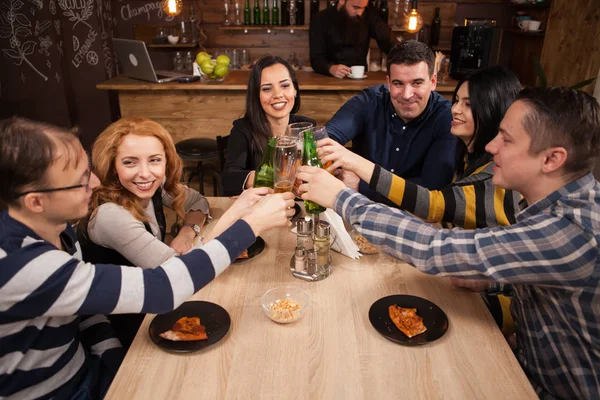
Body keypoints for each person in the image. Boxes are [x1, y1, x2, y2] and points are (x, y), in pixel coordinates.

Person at [298, 86, 600, 399]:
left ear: (552, 159)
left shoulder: (572, 230)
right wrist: (491, 283)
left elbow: (435, 247)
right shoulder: (558, 206)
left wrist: (340, 197)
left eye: (507, 139)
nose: (492, 146)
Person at [0, 117, 295, 399]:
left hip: (87, 370)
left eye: (88, 171)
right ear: (36, 201)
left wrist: (110, 355)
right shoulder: (22, 264)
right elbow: (163, 287)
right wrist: (250, 224)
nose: (94, 183)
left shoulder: (58, 227)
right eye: (79, 182)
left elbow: (82, 308)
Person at [318, 66, 523, 331]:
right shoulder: (467, 153)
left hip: (499, 306)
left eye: (469, 105)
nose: (456, 110)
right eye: (457, 101)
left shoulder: (491, 177)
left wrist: (355, 170)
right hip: (468, 279)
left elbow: (431, 204)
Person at [79, 117, 272, 348]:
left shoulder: (155, 187)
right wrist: (237, 213)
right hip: (127, 324)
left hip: (158, 299)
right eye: (130, 162)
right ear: (111, 165)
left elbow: (199, 202)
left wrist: (187, 233)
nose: (145, 173)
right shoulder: (110, 215)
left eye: (154, 160)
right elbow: (182, 273)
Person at [326, 40, 456, 203]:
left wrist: (361, 185)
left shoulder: (446, 117)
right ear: (388, 83)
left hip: (414, 217)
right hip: (358, 207)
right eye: (398, 84)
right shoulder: (370, 101)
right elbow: (325, 138)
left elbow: (431, 192)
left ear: (433, 82)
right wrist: (335, 169)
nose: (407, 94)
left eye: (417, 83)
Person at [222, 56, 315, 196]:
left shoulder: (307, 128)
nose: (278, 94)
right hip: (263, 210)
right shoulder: (243, 129)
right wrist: (276, 177)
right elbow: (229, 179)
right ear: (257, 96)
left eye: (285, 85)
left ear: (295, 90)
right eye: (267, 89)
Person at [309, 0, 393, 78]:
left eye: (363, 8)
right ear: (342, 1)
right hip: (328, 79)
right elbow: (316, 58)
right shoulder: (321, 19)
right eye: (355, 7)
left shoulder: (369, 16)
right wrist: (330, 68)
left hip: (360, 80)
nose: (360, 13)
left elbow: (388, 41)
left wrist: (403, 59)